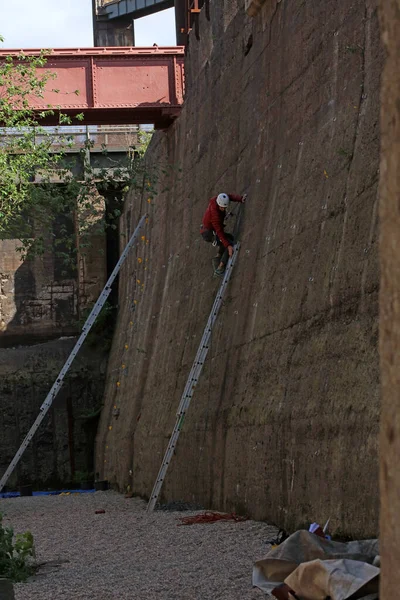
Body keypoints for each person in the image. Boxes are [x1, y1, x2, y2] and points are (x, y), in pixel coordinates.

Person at [200, 192, 247, 275]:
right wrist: (228, 246)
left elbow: (229, 196)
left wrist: (240, 198)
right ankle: (220, 268)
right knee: (228, 242)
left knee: (228, 238)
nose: (224, 209)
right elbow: (219, 232)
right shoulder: (215, 216)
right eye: (223, 207)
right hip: (209, 233)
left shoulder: (218, 199)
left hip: (208, 230)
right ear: (218, 205)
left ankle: (218, 257)